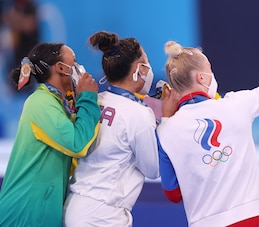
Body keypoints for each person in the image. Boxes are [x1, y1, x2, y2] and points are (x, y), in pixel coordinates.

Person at [157, 38, 259, 227]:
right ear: (201, 78)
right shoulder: (236, 104)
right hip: (248, 215)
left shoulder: (165, 131)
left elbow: (173, 194)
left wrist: (166, 120)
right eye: (210, 69)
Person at [63, 31, 160, 227]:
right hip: (102, 215)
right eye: (147, 61)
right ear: (140, 69)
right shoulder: (139, 114)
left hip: (75, 206)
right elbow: (153, 169)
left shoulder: (94, 102)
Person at [0, 42, 101, 227]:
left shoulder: (58, 104)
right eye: (75, 63)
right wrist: (88, 99)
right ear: (61, 68)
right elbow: (77, 144)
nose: (80, 69)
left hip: (40, 210)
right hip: (24, 211)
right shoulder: (40, 102)